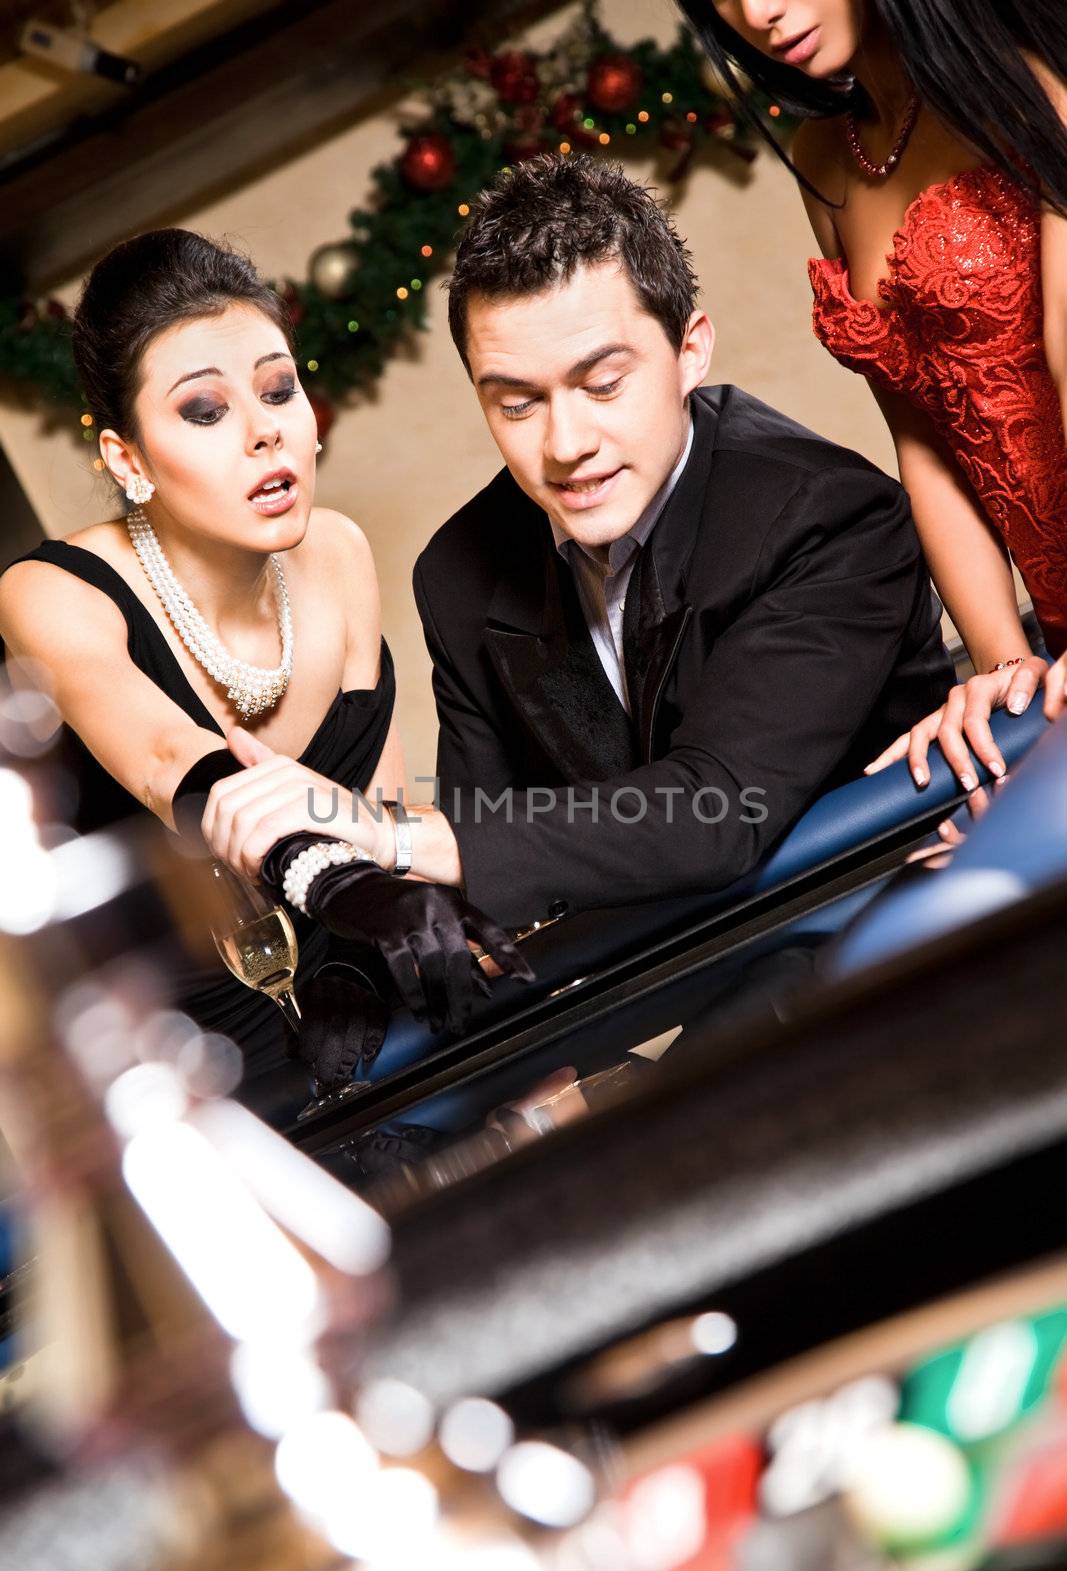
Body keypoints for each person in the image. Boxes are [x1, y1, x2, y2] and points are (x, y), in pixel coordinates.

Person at [206, 155, 954, 931]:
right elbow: (488, 839)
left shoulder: (828, 513)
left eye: (602, 384)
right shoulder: (461, 572)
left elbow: (717, 811)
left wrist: (385, 832)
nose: (566, 444)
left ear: (690, 350)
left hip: (916, 924)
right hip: (700, 977)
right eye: (517, 404)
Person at [0, 229, 527, 1095]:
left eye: (279, 390)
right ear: (126, 460)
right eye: (204, 412)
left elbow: (376, 813)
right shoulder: (52, 591)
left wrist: (361, 959)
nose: (265, 433)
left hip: (359, 1014)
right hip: (181, 1067)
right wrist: (345, 886)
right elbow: (175, 763)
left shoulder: (338, 551)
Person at [675, 0, 1067, 802]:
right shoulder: (824, 162)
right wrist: (1005, 671)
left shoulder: (1032, 76)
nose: (758, 12)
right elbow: (924, 449)